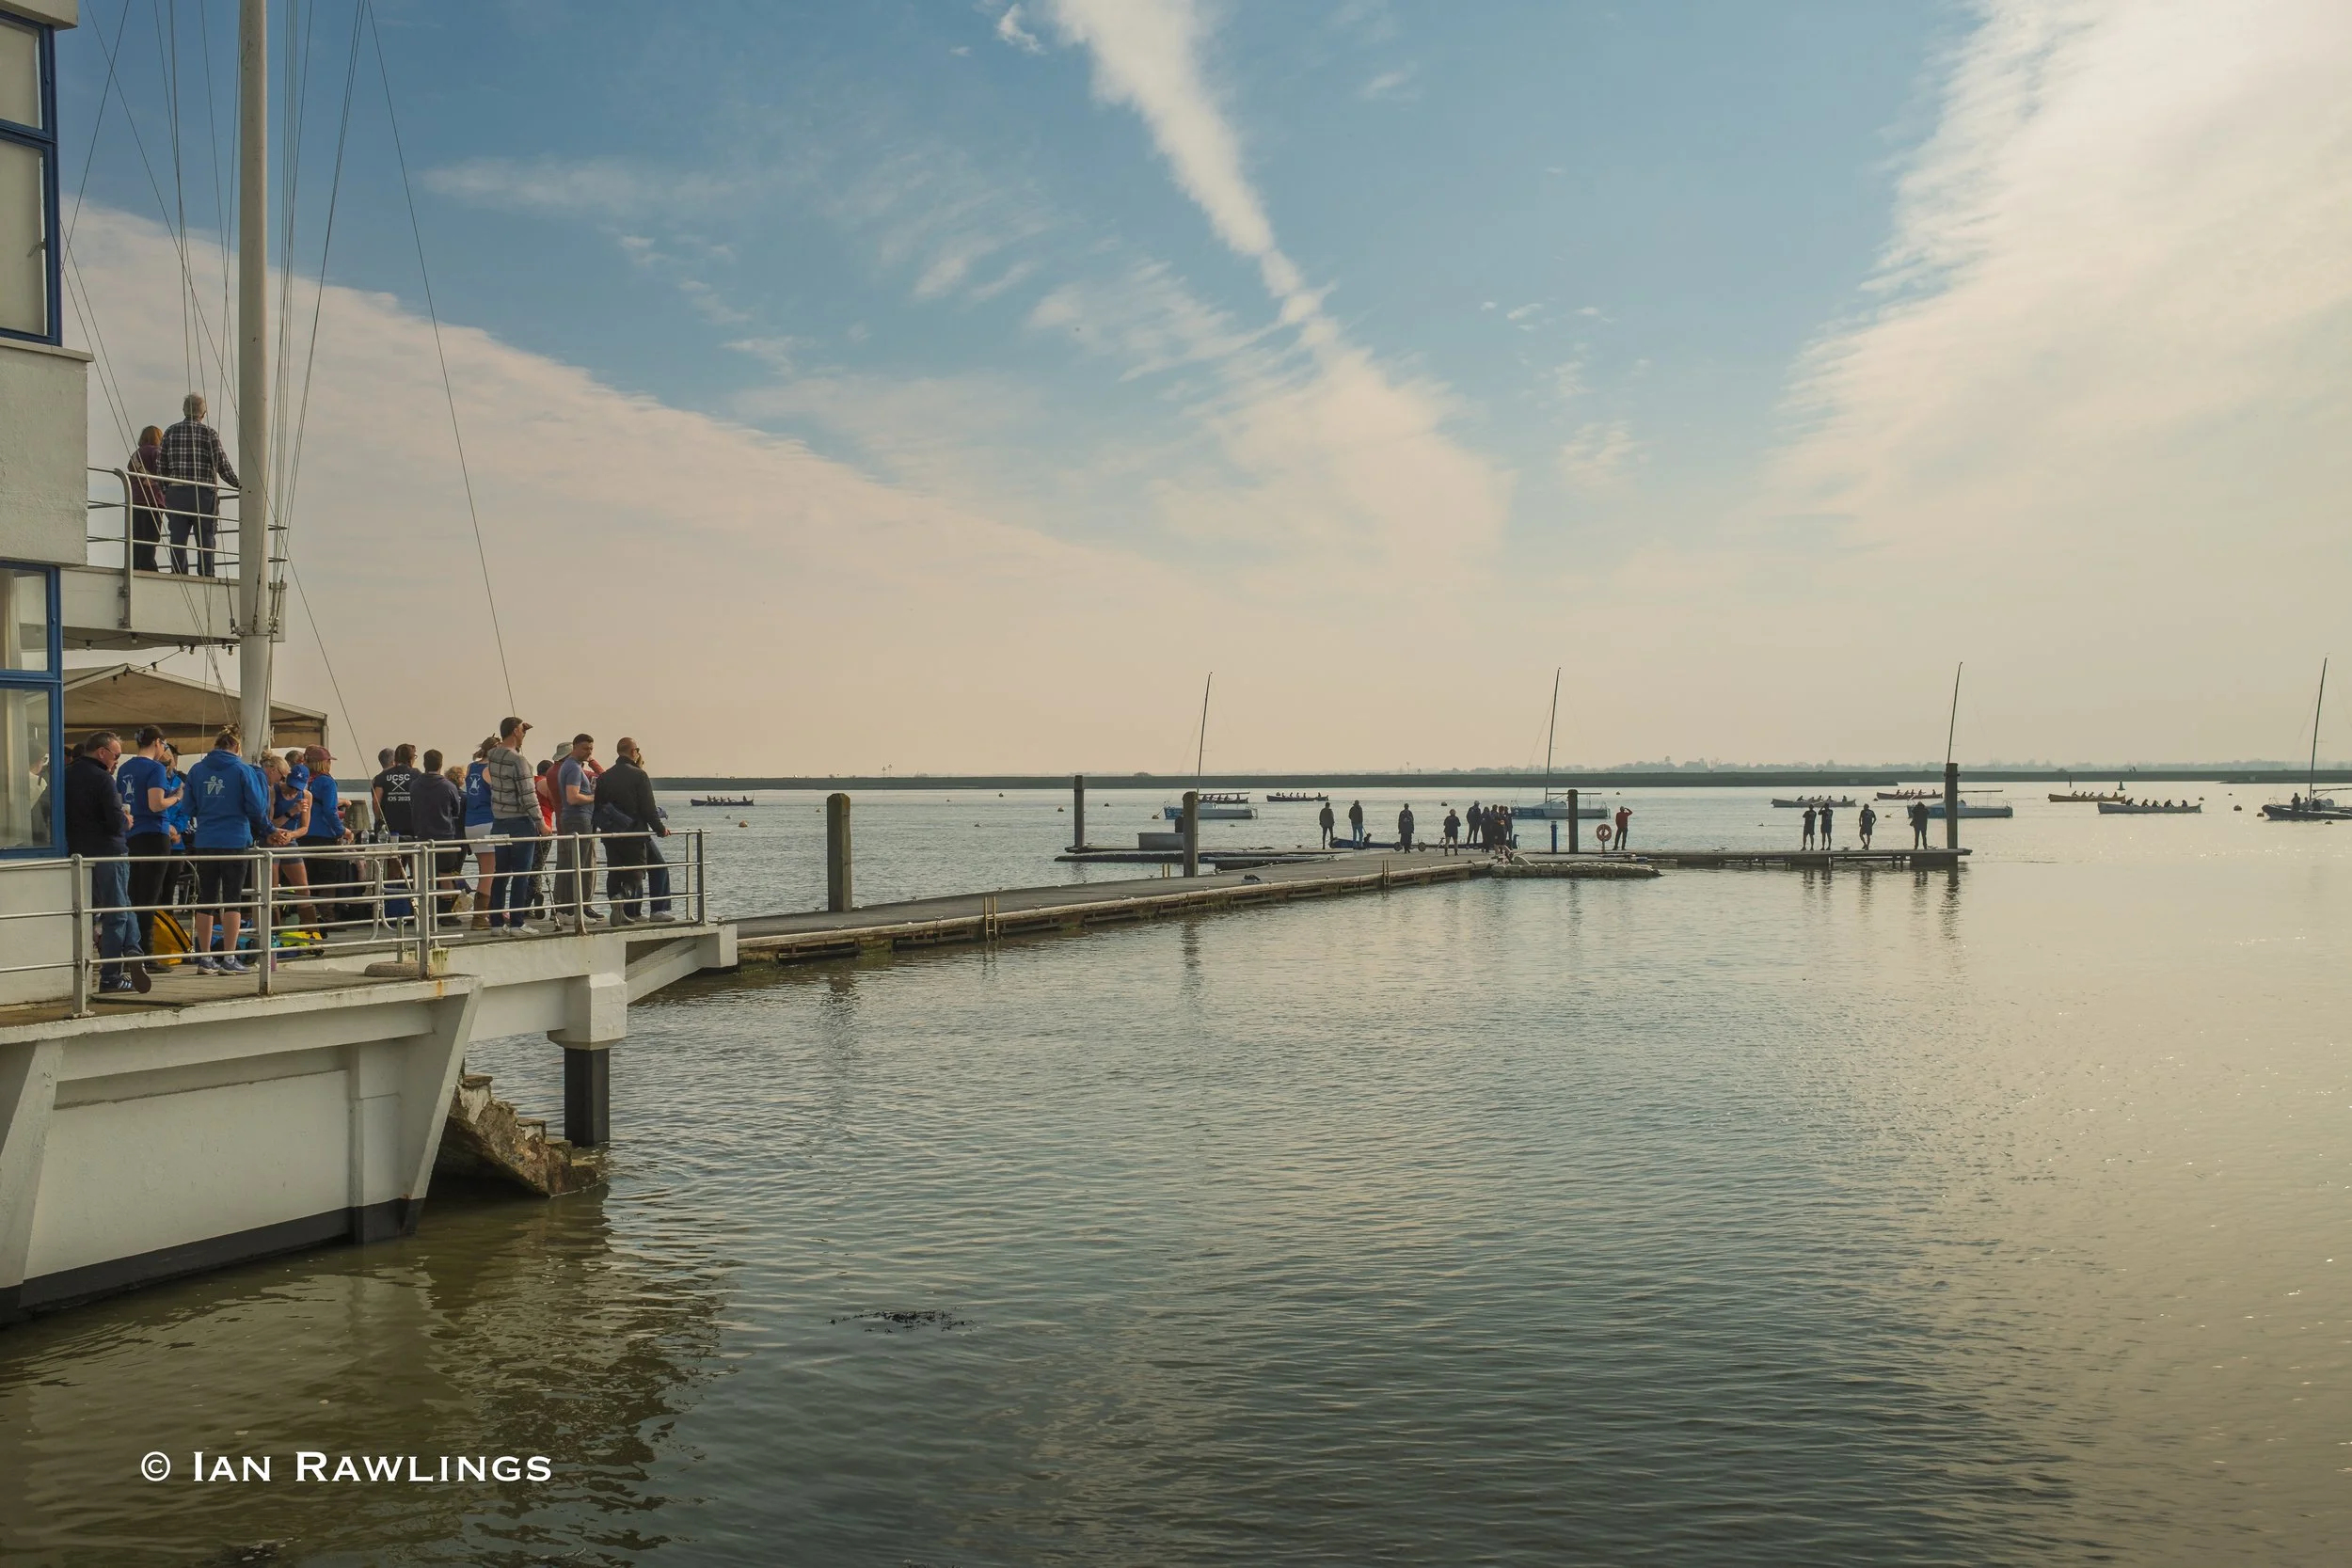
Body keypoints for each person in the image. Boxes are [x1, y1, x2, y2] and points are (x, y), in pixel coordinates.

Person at [184, 728, 286, 974]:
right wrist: (270, 829)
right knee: (232, 898)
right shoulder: (242, 770)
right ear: (236, 747)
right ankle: (229, 958)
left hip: (206, 839)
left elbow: (188, 805)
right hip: (235, 838)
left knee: (206, 898)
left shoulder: (197, 770)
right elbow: (255, 807)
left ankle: (205, 958)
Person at [66, 730, 147, 994]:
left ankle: (132, 949)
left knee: (93, 912)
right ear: (102, 753)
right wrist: (126, 820)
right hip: (108, 852)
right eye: (116, 756)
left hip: (77, 854)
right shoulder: (103, 779)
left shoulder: (66, 775)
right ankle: (112, 974)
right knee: (118, 912)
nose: (116, 763)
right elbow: (114, 822)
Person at [119, 723, 179, 968]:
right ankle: (147, 953)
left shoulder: (124, 768)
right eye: (163, 744)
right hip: (154, 834)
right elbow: (156, 804)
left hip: (131, 835)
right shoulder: (155, 768)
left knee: (133, 893)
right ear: (157, 742)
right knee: (150, 895)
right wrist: (177, 797)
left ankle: (130, 948)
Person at [158, 393, 239, 577]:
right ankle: (206, 573)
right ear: (203, 413)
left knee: (178, 536)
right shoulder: (208, 433)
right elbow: (221, 464)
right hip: (203, 493)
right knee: (206, 535)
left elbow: (161, 466)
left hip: (177, 492)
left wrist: (166, 490)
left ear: (184, 411)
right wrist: (238, 484)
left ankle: (179, 572)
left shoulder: (170, 431)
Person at [595, 737, 666, 924]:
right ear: (633, 751)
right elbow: (648, 808)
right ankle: (623, 897)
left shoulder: (604, 776)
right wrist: (660, 829)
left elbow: (598, 807)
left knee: (615, 871)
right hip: (635, 832)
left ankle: (620, 912)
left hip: (611, 833)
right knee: (638, 871)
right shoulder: (639, 776)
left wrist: (597, 830)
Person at [484, 717, 543, 930]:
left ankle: (496, 924)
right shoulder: (520, 761)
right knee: (520, 875)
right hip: (520, 823)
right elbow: (528, 796)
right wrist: (541, 823)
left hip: (499, 822)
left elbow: (497, 746)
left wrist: (518, 733)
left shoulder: (493, 755)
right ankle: (517, 923)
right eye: (521, 731)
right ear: (516, 731)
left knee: (501, 873)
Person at [296, 744, 355, 928]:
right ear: (324, 763)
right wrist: (343, 831)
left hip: (303, 835)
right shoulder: (327, 782)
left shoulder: (302, 781)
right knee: (327, 878)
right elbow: (330, 811)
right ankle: (327, 917)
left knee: (308, 879)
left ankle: (308, 918)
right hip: (323, 836)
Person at [259, 750, 318, 929]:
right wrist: (291, 812)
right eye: (291, 786)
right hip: (272, 838)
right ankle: (273, 930)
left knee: (303, 887)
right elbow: (269, 822)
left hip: (290, 839)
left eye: (297, 788)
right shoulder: (273, 792)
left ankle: (310, 930)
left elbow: (305, 828)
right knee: (272, 889)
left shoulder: (306, 796)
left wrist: (290, 835)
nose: (293, 791)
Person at [409, 749, 468, 919]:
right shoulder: (448, 786)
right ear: (440, 765)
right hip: (445, 837)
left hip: (422, 836)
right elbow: (455, 811)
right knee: (446, 875)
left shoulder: (415, 785)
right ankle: (446, 913)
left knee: (425, 876)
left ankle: (424, 911)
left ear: (424, 764)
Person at [552, 734, 602, 921]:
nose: (588, 752)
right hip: (578, 819)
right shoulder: (573, 768)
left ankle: (565, 910)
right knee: (580, 865)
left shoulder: (570, 766)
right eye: (585, 748)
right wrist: (593, 798)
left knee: (570, 864)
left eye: (591, 749)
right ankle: (576, 911)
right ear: (574, 747)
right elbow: (573, 797)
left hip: (572, 819)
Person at [462, 736, 499, 928]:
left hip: (471, 823)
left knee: (483, 869)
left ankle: (488, 912)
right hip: (487, 822)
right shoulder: (491, 769)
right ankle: (480, 917)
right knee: (488, 872)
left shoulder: (471, 767)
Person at [127, 426, 167, 573]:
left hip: (136, 499)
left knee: (138, 535)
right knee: (152, 535)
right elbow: (162, 472)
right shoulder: (156, 452)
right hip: (153, 499)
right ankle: (148, 564)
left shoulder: (135, 455)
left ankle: (136, 563)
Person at [372, 744, 420, 840]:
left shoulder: (382, 776)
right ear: (410, 758)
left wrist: (378, 820)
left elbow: (376, 801)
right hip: (411, 826)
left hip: (389, 826)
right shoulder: (416, 774)